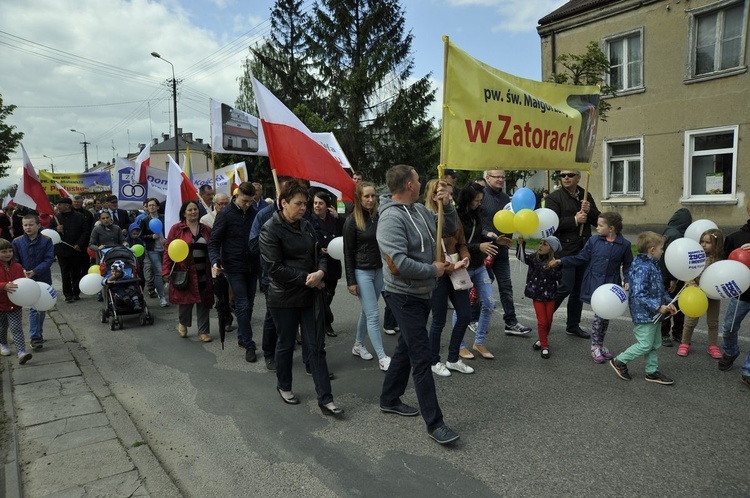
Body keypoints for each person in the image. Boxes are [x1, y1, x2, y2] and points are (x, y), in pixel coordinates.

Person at [377, 164, 460, 445]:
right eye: (417, 177)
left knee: (406, 347)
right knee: (421, 356)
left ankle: (389, 398)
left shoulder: (419, 211)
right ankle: (435, 424)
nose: (421, 180)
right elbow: (399, 263)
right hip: (403, 296)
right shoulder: (390, 219)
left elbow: (447, 228)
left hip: (423, 292)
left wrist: (446, 204)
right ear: (410, 186)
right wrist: (434, 270)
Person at [259, 179, 342, 416]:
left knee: (316, 346)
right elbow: (274, 268)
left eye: (305, 203)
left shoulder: (307, 226)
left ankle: (326, 399)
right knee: (285, 344)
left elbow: (321, 253)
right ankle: (284, 386)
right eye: (299, 204)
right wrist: (309, 277)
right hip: (283, 298)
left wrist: (322, 272)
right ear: (283, 203)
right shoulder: (270, 229)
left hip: (310, 294)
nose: (304, 208)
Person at [552, 212, 632, 363]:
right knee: (599, 316)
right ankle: (595, 346)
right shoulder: (594, 241)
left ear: (611, 229)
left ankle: (600, 344)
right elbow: (581, 258)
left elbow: (628, 264)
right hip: (595, 283)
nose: (597, 227)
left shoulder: (625, 245)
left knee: (605, 317)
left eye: (601, 225)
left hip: (611, 285)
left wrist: (627, 279)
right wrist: (562, 261)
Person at [421, 179, 474, 377]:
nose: (448, 198)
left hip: (457, 271)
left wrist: (466, 257)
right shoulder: (425, 218)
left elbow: (461, 242)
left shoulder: (453, 214)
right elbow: (428, 252)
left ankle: (453, 358)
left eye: (450, 194)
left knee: (466, 315)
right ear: (433, 196)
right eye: (443, 194)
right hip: (439, 275)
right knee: (438, 321)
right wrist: (451, 266)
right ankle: (434, 361)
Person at [610, 232, 675, 385]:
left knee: (654, 343)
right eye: (661, 248)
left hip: (654, 313)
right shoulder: (642, 268)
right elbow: (638, 293)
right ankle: (619, 361)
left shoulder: (653, 265)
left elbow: (660, 289)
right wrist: (658, 307)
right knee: (645, 344)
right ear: (652, 250)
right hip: (644, 314)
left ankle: (651, 372)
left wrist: (669, 301)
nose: (663, 251)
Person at [545, 169, 601, 338]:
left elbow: (597, 219)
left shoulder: (585, 194)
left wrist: (589, 210)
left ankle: (573, 325)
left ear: (578, 177)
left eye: (570, 175)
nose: (566, 178)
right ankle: (545, 319)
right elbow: (550, 224)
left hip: (584, 248)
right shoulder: (554, 198)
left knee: (578, 289)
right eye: (563, 175)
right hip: (566, 249)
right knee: (565, 286)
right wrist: (575, 220)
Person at [208, 182, 258, 361]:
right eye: (245, 201)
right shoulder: (225, 214)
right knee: (243, 304)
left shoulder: (254, 213)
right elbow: (214, 242)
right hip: (233, 266)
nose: (248, 205)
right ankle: (249, 344)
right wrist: (215, 261)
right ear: (236, 196)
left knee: (249, 304)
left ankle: (242, 337)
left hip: (253, 266)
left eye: (251, 201)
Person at [343, 181, 390, 370]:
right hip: (361, 271)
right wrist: (351, 281)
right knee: (372, 314)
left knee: (367, 311)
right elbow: (347, 252)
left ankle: (358, 345)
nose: (371, 200)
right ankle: (382, 357)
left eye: (373, 196)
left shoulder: (378, 216)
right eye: (366, 196)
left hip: (378, 270)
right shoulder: (351, 221)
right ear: (359, 198)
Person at [481, 169, 532, 336]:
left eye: (503, 177)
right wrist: (486, 234)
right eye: (497, 177)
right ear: (488, 178)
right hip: (485, 249)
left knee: (506, 286)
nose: (501, 180)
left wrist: (514, 235)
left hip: (502, 250)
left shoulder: (505, 198)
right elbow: (473, 222)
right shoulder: (481, 196)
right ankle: (473, 319)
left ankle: (510, 322)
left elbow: (510, 220)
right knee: (481, 287)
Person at [455, 182, 498, 360]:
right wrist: (478, 246)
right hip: (463, 267)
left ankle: (479, 342)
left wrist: (492, 238)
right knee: (462, 309)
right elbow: (459, 244)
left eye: (481, 200)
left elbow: (477, 234)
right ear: (467, 200)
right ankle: (459, 344)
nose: (479, 203)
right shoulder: (456, 215)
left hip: (479, 266)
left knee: (489, 303)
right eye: (476, 200)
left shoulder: (477, 214)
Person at [163, 200, 214, 343]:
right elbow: (168, 251)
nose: (193, 212)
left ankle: (203, 331)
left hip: (203, 271)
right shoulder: (176, 229)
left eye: (195, 209)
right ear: (184, 213)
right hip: (184, 272)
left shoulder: (205, 229)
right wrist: (166, 271)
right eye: (190, 210)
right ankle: (183, 323)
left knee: (204, 302)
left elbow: (213, 247)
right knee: (185, 302)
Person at [677, 228, 725, 358]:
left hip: (713, 295)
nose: (703, 244)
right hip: (696, 294)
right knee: (690, 321)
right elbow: (689, 274)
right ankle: (685, 343)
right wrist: (695, 288)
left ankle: (713, 345)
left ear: (716, 244)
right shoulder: (697, 256)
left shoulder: (720, 260)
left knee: (713, 322)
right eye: (702, 241)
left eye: (707, 242)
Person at [718, 201, 750, 387]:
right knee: (729, 327)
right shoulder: (735, 237)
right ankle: (730, 351)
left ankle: (748, 370)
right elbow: (724, 266)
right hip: (741, 294)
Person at [12, 214, 54, 351]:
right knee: (33, 308)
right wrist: (22, 270)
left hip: (42, 277)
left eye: (31, 224)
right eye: (25, 225)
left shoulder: (47, 241)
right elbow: (15, 260)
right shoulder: (17, 242)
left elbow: (49, 259)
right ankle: (35, 336)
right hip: (25, 280)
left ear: (38, 225)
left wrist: (35, 271)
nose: (28, 227)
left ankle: (38, 333)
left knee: (41, 307)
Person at [518, 236, 562, 359]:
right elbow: (521, 257)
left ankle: (541, 340)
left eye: (545, 244)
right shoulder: (534, 258)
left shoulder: (556, 262)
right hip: (537, 296)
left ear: (552, 249)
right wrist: (521, 245)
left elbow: (559, 277)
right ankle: (544, 346)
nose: (540, 246)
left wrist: (552, 267)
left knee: (548, 321)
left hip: (551, 296)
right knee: (542, 322)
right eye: (540, 243)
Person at [311, 189, 345, 337]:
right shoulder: (309, 220)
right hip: (318, 264)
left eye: (320, 203)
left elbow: (344, 234)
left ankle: (322, 320)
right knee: (321, 296)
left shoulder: (334, 219)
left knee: (329, 294)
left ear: (327, 206)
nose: (317, 206)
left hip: (334, 264)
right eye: (315, 203)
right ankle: (325, 322)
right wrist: (319, 248)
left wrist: (339, 218)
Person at [659, 208, 693, 346]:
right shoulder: (677, 235)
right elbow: (672, 258)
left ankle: (666, 333)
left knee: (670, 304)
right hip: (673, 276)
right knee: (675, 305)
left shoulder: (669, 231)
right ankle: (672, 333)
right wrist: (672, 277)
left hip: (665, 274)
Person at [51, 197, 90, 302]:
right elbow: (49, 232)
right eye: (57, 205)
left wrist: (79, 244)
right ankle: (67, 294)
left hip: (75, 249)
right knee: (65, 272)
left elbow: (85, 232)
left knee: (76, 271)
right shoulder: (56, 217)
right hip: (62, 250)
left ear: (67, 205)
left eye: (60, 204)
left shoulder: (80, 216)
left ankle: (76, 292)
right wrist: (56, 229)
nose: (58, 207)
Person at [0, 239, 32, 364]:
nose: (8, 254)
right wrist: (3, 286)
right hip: (1, 304)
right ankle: (3, 343)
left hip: (15, 304)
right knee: (2, 327)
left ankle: (21, 352)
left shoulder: (17, 266)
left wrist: (26, 280)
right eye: (3, 252)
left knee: (16, 327)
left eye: (10, 251)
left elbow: (22, 282)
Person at [139, 198, 168, 307]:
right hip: (153, 250)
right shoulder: (144, 220)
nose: (151, 207)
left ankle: (161, 288)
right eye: (149, 205)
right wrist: (151, 236)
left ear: (157, 206)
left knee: (167, 272)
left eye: (153, 205)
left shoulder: (164, 218)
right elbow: (141, 236)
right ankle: (162, 297)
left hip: (167, 249)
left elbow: (170, 230)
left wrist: (167, 239)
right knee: (159, 272)